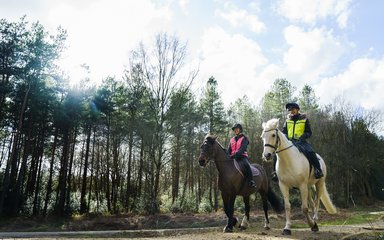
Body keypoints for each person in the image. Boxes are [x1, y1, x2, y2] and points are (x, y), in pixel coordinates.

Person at [271, 103, 324, 181]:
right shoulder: (287, 121)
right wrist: (285, 137)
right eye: (289, 110)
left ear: (297, 109)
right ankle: (276, 172)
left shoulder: (304, 119)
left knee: (310, 151)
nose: (291, 111)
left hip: (301, 142)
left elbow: (309, 132)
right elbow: (284, 132)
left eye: (293, 109)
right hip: (289, 142)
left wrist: (303, 136)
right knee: (277, 153)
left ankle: (318, 170)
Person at [228, 123, 256, 188]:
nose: (235, 130)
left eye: (237, 129)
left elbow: (243, 148)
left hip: (242, 157)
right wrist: (228, 155)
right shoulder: (232, 139)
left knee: (246, 165)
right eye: (234, 129)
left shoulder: (244, 138)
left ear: (240, 130)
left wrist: (236, 154)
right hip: (233, 158)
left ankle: (251, 181)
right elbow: (229, 150)